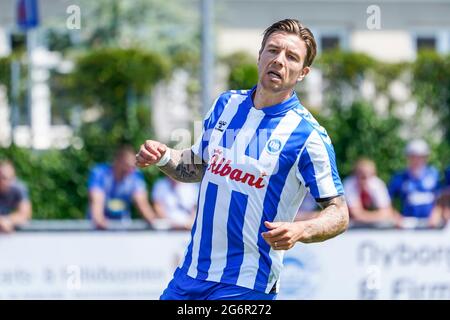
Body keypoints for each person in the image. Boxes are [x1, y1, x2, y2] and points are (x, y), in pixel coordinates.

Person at [136, 19, 349, 300]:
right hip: (191, 275)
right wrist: (163, 156)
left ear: (303, 72)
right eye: (273, 51)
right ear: (260, 55)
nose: (279, 60)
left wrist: (301, 229)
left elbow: (339, 213)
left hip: (248, 285)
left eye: (291, 57)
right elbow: (197, 166)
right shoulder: (226, 105)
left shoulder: (308, 136)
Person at [88, 145, 158, 229]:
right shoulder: (100, 173)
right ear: (117, 161)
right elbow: (97, 201)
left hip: (122, 228)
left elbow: (142, 204)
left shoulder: (135, 176)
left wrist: (153, 221)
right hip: (98, 229)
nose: (131, 170)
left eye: (133, 167)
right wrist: (99, 220)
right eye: (127, 165)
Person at [388, 139, 441, 228]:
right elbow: (387, 200)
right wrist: (396, 216)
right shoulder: (400, 177)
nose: (417, 160)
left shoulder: (434, 175)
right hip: (407, 224)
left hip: (430, 225)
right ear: (407, 157)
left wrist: (437, 213)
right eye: (413, 156)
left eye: (420, 157)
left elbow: (441, 198)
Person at [343, 158, 396, 226]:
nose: (365, 180)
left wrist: (366, 216)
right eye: (362, 176)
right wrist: (379, 216)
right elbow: (356, 215)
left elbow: (387, 212)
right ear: (355, 174)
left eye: (369, 175)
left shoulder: (377, 184)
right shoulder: (349, 185)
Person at [0, 160, 32, 233]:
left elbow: (25, 215)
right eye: (2, 177)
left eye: (10, 178)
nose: (5, 181)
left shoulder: (18, 188)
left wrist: (8, 220)